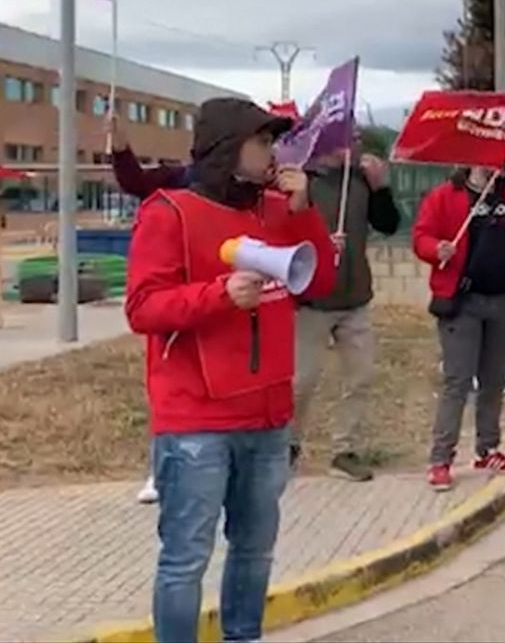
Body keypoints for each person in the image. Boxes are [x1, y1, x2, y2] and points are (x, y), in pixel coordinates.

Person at [124, 98, 339, 643]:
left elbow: (318, 283)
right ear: (228, 147)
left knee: (255, 548)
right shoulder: (167, 211)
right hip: (195, 421)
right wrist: (217, 295)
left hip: (266, 416)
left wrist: (303, 212)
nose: (274, 153)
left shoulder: (275, 209)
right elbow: (143, 307)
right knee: (185, 559)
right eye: (263, 141)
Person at [413, 164, 505, 491]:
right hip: (463, 301)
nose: (497, 163)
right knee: (457, 381)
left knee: (494, 379)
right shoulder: (445, 196)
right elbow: (421, 236)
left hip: (503, 298)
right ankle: (441, 458)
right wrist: (437, 249)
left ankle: (488, 448)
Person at [290, 149, 401, 482]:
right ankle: (287, 447)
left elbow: (389, 224)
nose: (353, 142)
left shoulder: (360, 180)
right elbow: (285, 230)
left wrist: (380, 187)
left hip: (355, 299)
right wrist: (321, 244)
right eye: (346, 135)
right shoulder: (303, 180)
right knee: (301, 382)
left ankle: (344, 450)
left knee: (360, 378)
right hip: (312, 301)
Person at [105, 113, 189, 506]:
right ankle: (160, 469)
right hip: (177, 300)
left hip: (224, 297)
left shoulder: (248, 187)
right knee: (167, 391)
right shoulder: (183, 178)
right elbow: (136, 182)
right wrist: (120, 146)